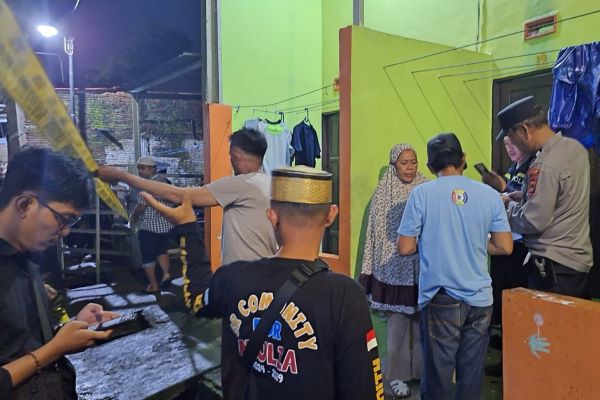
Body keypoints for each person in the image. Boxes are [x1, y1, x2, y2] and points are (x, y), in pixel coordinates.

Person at [142, 165, 383, 399]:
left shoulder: (233, 277)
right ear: (331, 215)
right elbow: (364, 388)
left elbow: (196, 299)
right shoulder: (344, 295)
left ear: (272, 216)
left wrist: (187, 229)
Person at [397, 133, 513, 399]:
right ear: (464, 160)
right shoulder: (489, 195)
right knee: (471, 375)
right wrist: (473, 242)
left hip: (442, 299)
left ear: (429, 167)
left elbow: (405, 247)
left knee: (438, 378)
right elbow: (505, 246)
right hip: (481, 301)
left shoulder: (421, 194)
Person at [0, 148, 118, 399]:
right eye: (62, 219)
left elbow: (20, 341)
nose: (64, 232)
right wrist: (55, 348)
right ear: (24, 204)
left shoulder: (26, 257)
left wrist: (73, 327)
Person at [99, 128, 277, 264]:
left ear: (237, 155)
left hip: (244, 275)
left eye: (231, 156)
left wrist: (121, 176)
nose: (231, 161)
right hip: (265, 271)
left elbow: (178, 196)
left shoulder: (242, 184)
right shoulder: (270, 184)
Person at [497, 96, 593, 298]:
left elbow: (533, 221)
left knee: (548, 329)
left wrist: (504, 208)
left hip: (552, 267)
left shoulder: (542, 164)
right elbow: (563, 198)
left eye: (512, 139)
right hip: (577, 262)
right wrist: (522, 198)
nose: (513, 146)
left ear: (524, 130)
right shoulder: (575, 148)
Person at [359, 143, 426, 398]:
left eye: (413, 162)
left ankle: (419, 373)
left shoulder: (426, 189)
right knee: (398, 327)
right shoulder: (383, 193)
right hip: (393, 272)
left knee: (421, 325)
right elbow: (375, 237)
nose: (409, 167)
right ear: (393, 165)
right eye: (404, 162)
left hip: (421, 269)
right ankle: (398, 376)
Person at [481, 136, 534, 377]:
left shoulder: (534, 166)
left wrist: (503, 189)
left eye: (513, 142)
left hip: (522, 249)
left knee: (519, 305)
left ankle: (513, 363)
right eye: (506, 145)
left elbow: (531, 205)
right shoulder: (515, 169)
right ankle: (507, 347)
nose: (510, 148)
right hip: (503, 245)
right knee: (502, 301)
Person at [130, 156, 174, 292]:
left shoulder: (148, 185)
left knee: (148, 256)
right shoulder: (164, 181)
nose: (140, 171)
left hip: (150, 227)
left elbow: (142, 206)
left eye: (143, 168)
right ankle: (166, 274)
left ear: (153, 169)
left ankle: (153, 285)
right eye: (139, 168)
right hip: (166, 226)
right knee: (162, 251)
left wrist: (133, 216)